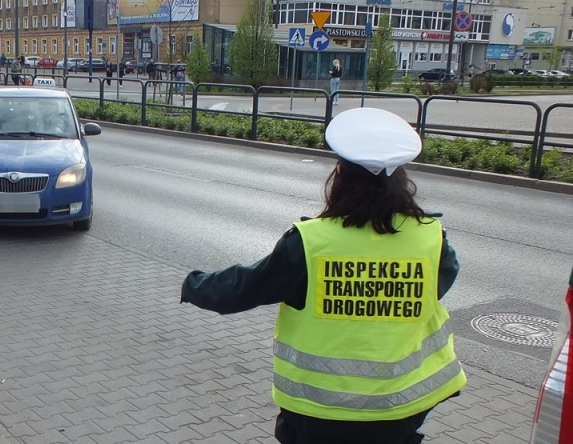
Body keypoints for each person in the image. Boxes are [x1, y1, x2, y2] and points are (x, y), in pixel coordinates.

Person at [181, 107, 466, 444]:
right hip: (398, 409)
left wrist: (194, 284)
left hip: (318, 417)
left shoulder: (310, 242)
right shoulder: (431, 238)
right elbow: (437, 287)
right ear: (400, 179)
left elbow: (245, 288)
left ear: (340, 176)